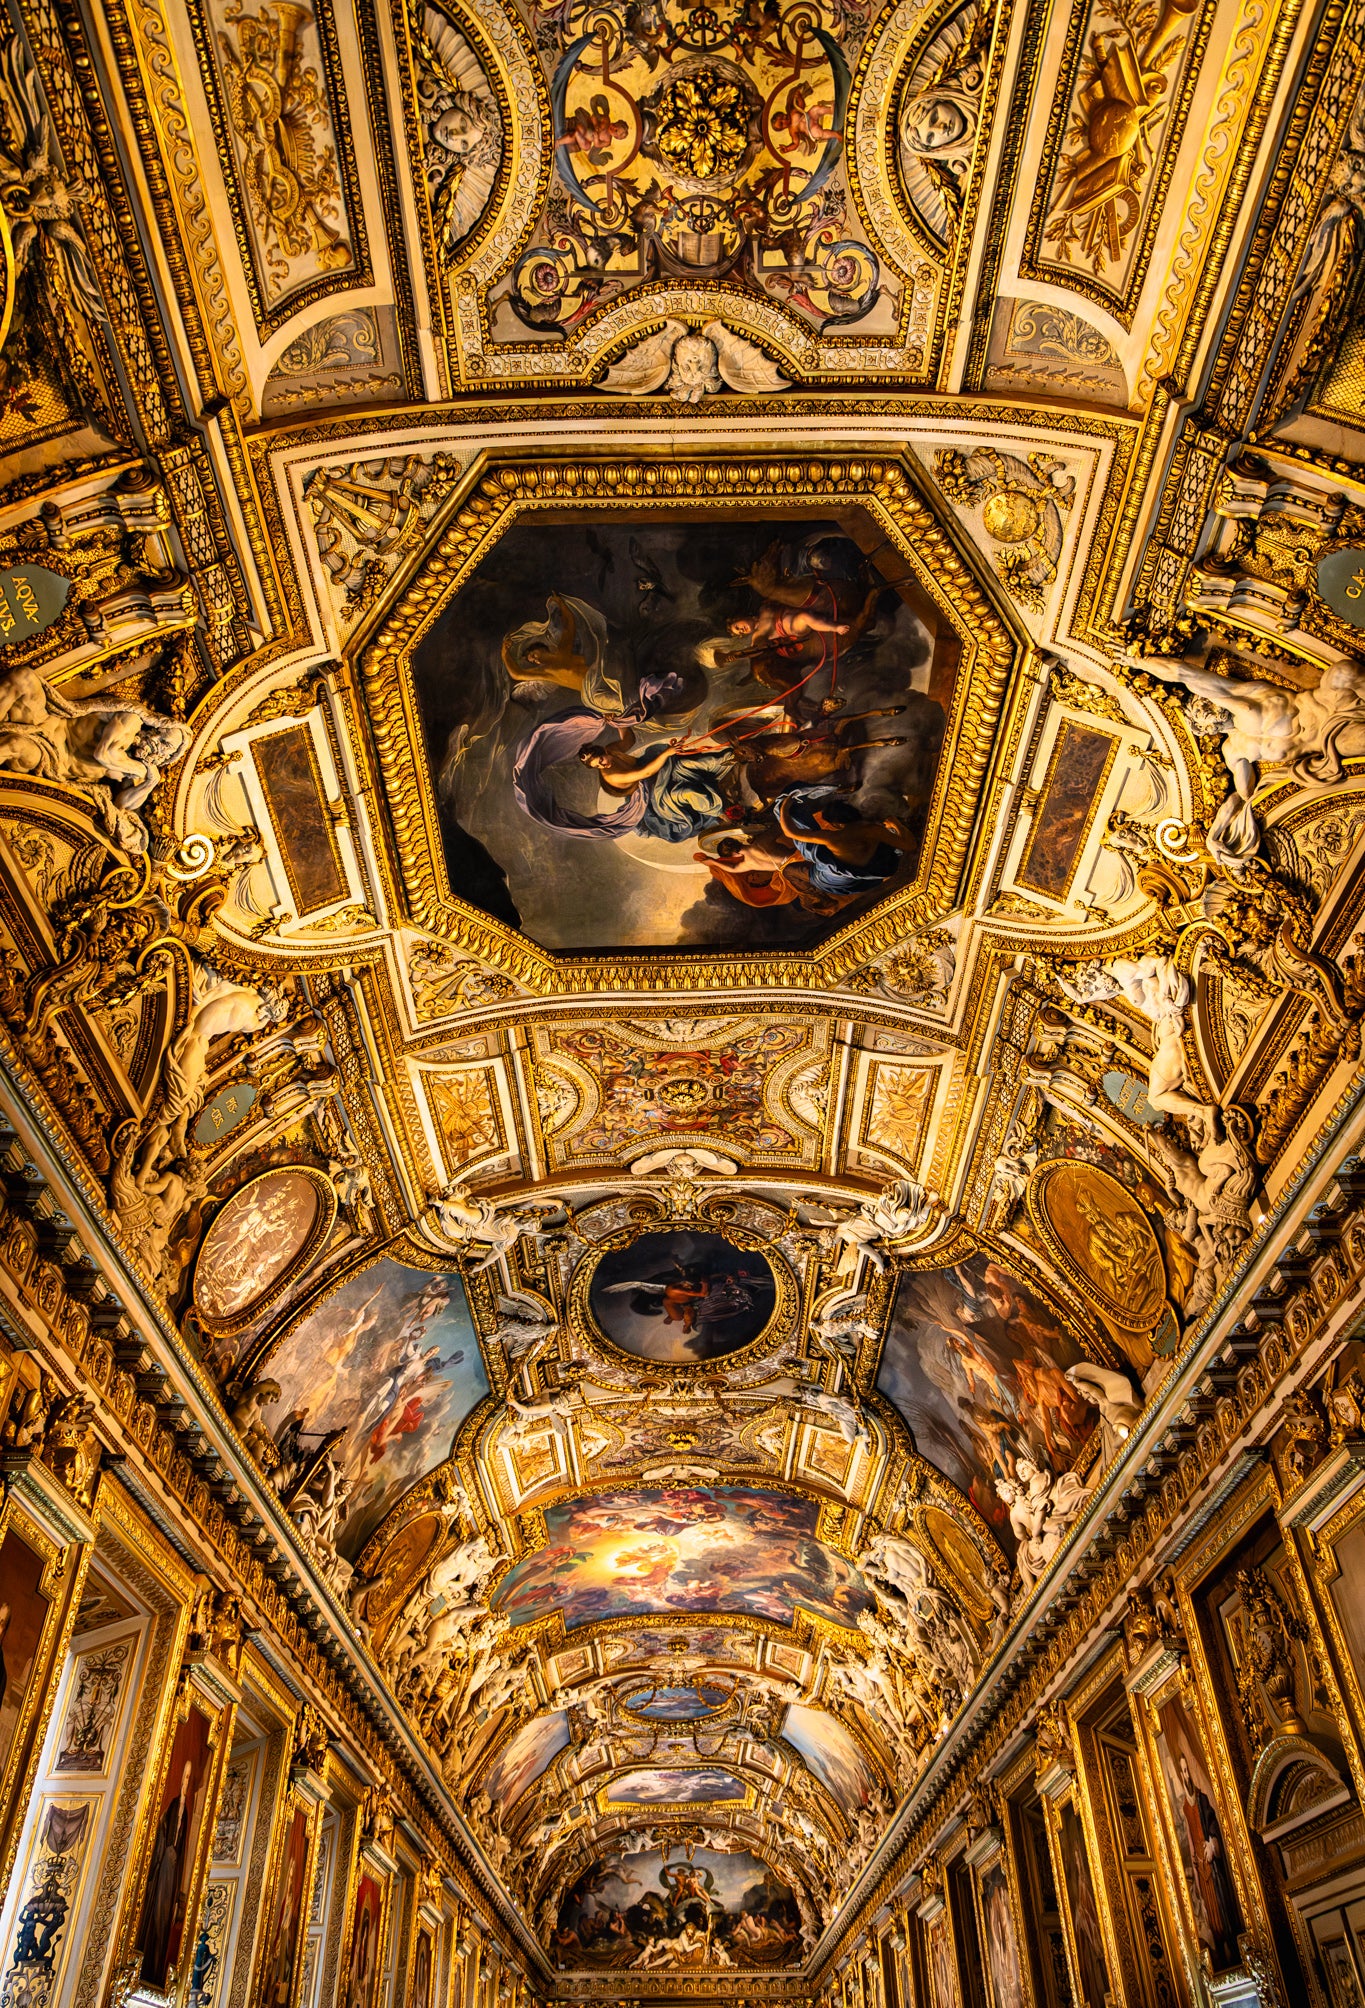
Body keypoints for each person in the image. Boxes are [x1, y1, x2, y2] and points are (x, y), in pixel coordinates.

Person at [139, 1757, 193, 1984]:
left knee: (163, 1922)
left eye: (189, 1778)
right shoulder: (171, 1806)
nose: (186, 1782)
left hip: (171, 1875)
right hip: (161, 1871)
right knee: (155, 1916)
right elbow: (161, 1833)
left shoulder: (187, 1813)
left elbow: (183, 1852)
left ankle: (155, 1969)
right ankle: (145, 1965)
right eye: (185, 1777)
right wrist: (166, 1853)